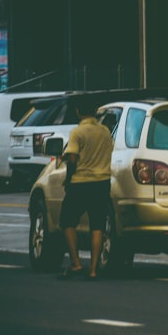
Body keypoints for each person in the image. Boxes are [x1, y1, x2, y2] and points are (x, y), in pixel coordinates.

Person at [58, 98, 114, 280]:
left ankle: (76, 263)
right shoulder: (105, 131)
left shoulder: (77, 132)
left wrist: (68, 179)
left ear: (78, 112)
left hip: (80, 182)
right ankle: (93, 270)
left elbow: (72, 159)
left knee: (67, 221)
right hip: (102, 183)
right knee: (97, 225)